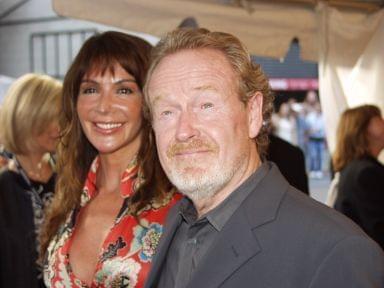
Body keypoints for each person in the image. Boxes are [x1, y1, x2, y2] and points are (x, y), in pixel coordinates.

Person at [143, 28, 384, 288]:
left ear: (253, 114)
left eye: (206, 106)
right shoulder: (173, 224)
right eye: (167, 112)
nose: (183, 130)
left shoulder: (337, 252)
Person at [40, 31, 180, 287]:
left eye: (124, 90)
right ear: (75, 101)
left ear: (149, 101)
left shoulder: (181, 202)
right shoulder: (68, 195)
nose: (103, 106)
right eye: (91, 89)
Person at [0, 73, 62, 288]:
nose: (59, 127)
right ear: (27, 118)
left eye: (61, 116)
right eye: (49, 118)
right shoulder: (4, 188)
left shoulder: (73, 180)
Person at [332, 105, 384, 249]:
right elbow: (377, 229)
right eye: (378, 118)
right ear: (363, 128)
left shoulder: (358, 168)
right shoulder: (365, 172)